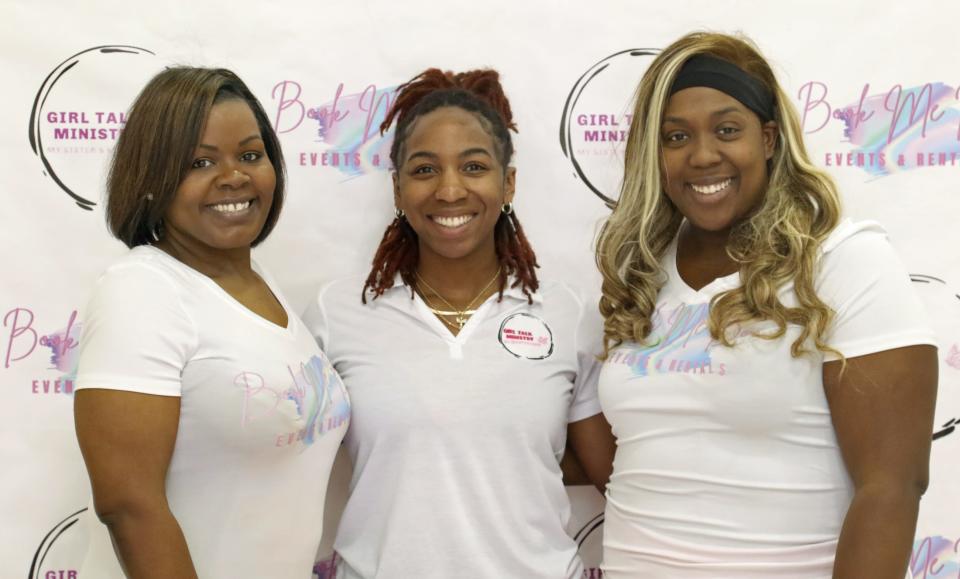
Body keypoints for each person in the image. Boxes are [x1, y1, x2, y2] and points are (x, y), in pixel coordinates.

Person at [595, 32, 939, 578]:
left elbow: (893, 486)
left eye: (727, 130)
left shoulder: (844, 260)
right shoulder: (642, 273)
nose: (702, 155)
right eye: (675, 136)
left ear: (770, 138)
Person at [302, 68, 615, 579]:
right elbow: (282, 463)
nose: (450, 190)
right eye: (425, 170)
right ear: (398, 189)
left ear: (508, 182)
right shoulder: (336, 314)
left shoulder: (566, 312)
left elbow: (614, 478)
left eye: (473, 166)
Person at [74, 67, 350, 579]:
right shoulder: (141, 291)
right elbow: (128, 505)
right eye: (199, 161)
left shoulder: (258, 282)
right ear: (153, 178)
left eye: (250, 155)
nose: (235, 176)